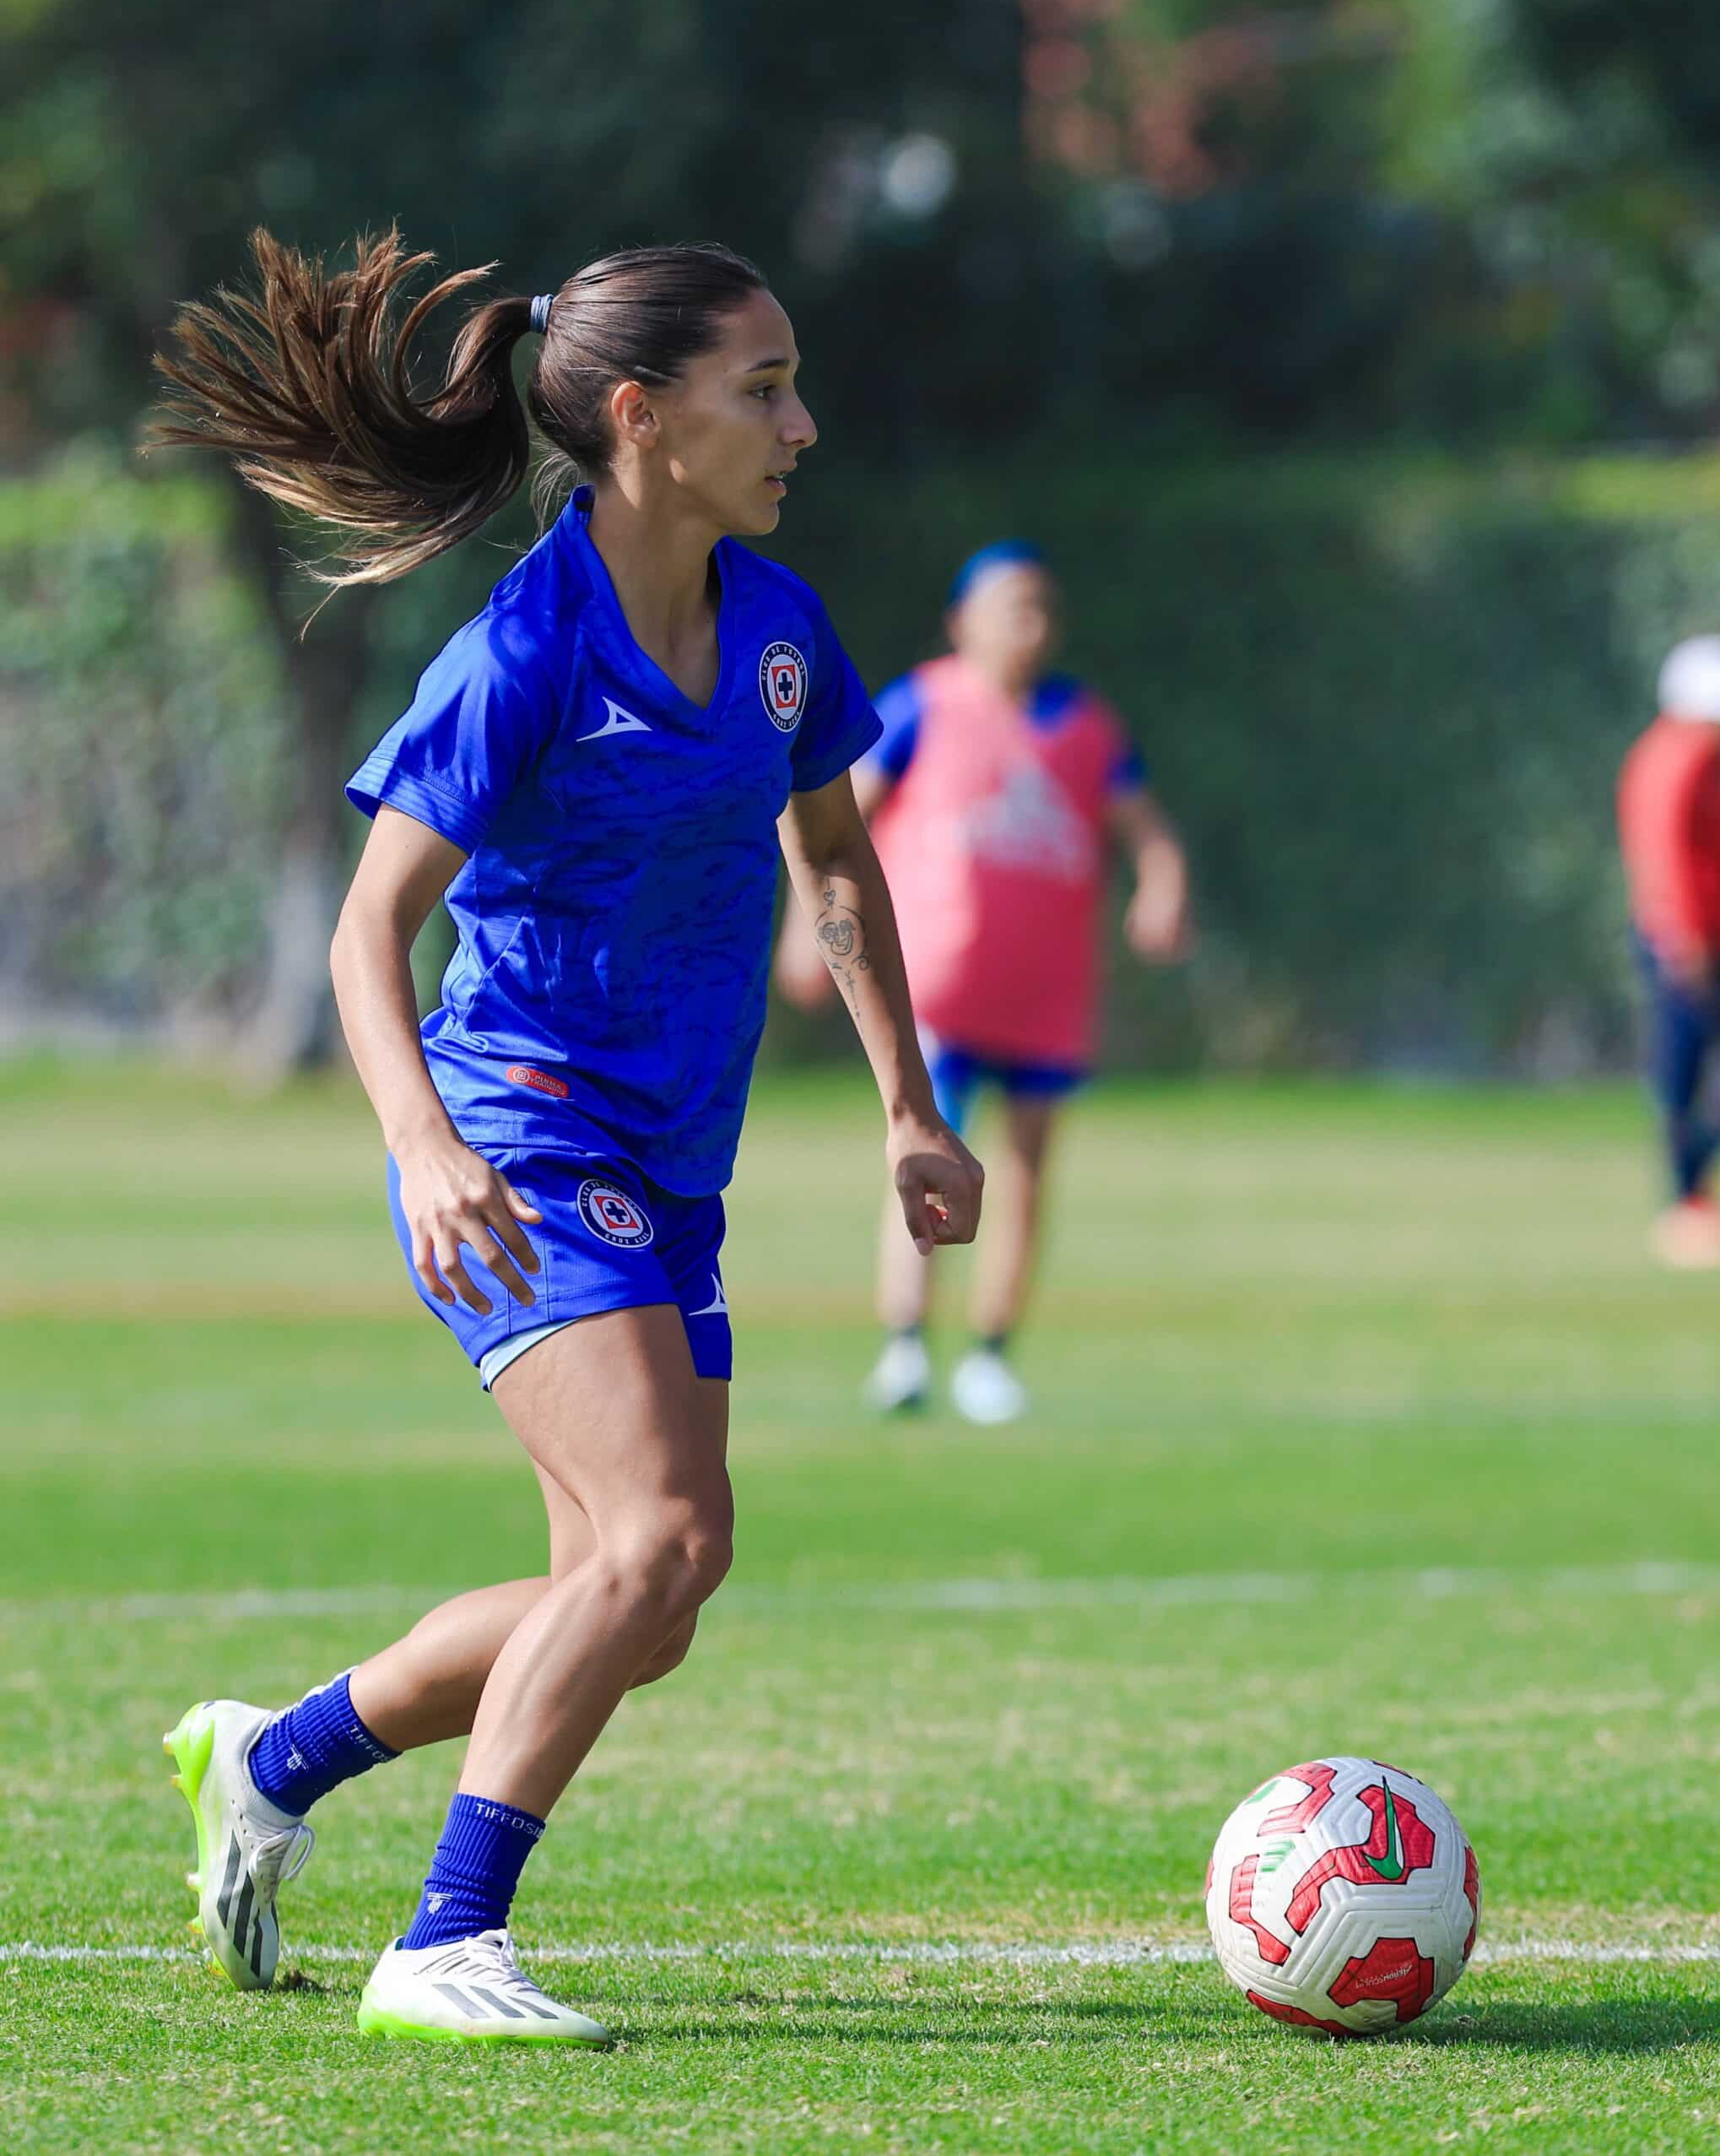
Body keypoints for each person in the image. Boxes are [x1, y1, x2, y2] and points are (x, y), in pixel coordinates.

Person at [149, 229, 982, 2045]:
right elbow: (374, 926)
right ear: (639, 415)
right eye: (762, 387)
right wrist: (424, 1143)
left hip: (672, 1167)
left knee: (636, 1591)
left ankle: (271, 1756)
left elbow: (832, 855)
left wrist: (911, 1102)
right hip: (518, 1137)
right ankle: (444, 1940)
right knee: (666, 1536)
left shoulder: (777, 628)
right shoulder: (523, 649)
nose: (802, 423)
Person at [776, 542, 1187, 1422]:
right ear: (962, 622)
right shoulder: (921, 705)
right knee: (925, 1155)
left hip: (1044, 996)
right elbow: (831, 828)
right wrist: (808, 935)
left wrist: (1161, 885)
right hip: (939, 992)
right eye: (1009, 606)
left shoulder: (1083, 726)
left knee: (1026, 1174)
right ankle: (905, 1346)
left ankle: (993, 1353)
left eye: (1041, 608)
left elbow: (1146, 832)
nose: (1028, 625)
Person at [1618, 634, 1720, 1268]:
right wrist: (1684, 938)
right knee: (1687, 1075)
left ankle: (1693, 1199)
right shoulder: (1676, 758)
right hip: (1690, 943)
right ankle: (1686, 1200)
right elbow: (1663, 857)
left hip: (1710, 938)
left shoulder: (1707, 761)